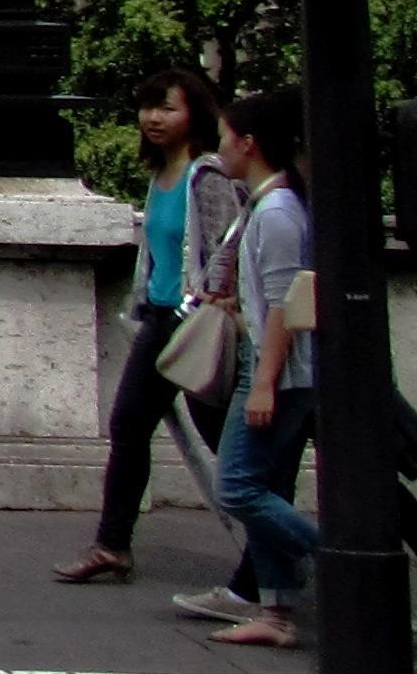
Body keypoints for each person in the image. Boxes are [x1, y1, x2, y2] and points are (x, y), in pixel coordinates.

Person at [55, 68, 241, 586]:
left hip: (192, 321)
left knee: (223, 441)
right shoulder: (161, 174)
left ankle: (272, 550)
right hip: (159, 318)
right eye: (148, 108)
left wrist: (204, 303)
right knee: (130, 427)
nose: (153, 119)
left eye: (167, 108)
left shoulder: (206, 175)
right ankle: (112, 543)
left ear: (194, 114)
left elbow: (226, 248)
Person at [187, 87, 317, 647]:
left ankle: (330, 555)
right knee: (262, 485)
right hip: (271, 366)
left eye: (224, 138)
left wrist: (263, 383)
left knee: (238, 487)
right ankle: (276, 612)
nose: (219, 150)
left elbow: (287, 306)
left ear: (248, 143)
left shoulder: (277, 212)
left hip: (273, 372)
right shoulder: (270, 206)